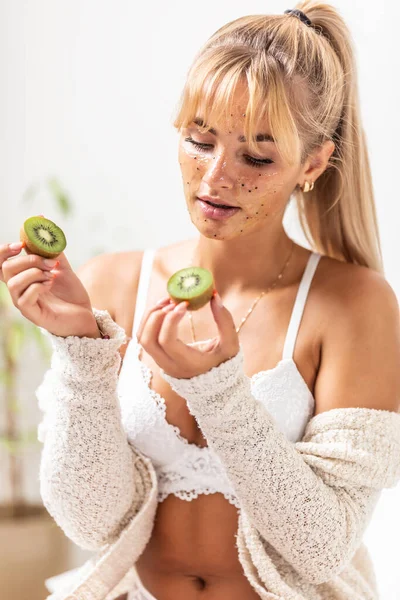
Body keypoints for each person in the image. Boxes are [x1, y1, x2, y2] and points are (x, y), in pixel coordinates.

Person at [2, 2, 400, 599]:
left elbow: (323, 544)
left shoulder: (354, 305)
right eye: (199, 140)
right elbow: (90, 521)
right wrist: (82, 352)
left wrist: (218, 391)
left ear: (312, 163)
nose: (215, 178)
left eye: (257, 157)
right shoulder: (110, 286)